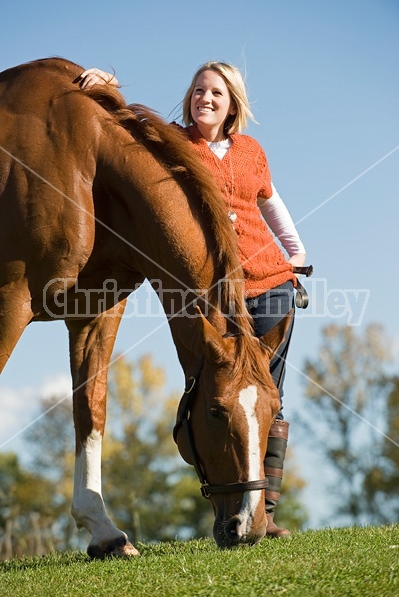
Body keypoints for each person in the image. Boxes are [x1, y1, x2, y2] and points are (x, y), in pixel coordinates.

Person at [79, 62, 307, 538]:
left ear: (232, 105)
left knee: (269, 399)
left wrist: (296, 251)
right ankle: (232, 506)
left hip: (271, 285)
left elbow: (270, 202)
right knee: (221, 394)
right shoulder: (175, 142)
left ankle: (265, 515)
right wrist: (110, 85)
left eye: (216, 93)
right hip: (221, 292)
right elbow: (126, 130)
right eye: (199, 90)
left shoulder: (250, 150)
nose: (205, 98)